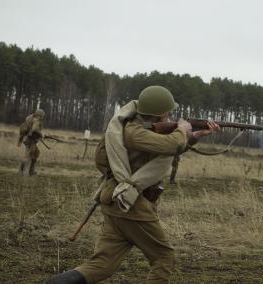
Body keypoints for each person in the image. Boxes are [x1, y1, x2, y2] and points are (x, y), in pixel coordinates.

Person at [46, 86, 220, 284]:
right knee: (163, 258)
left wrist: (193, 136)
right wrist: (182, 129)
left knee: (103, 265)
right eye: (168, 113)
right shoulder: (135, 132)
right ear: (160, 114)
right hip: (131, 204)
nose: (170, 115)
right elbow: (171, 145)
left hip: (117, 202)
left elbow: (163, 149)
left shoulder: (135, 128)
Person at [18, 109, 45, 176]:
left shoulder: (30, 119)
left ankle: (31, 171)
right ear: (40, 115)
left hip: (27, 139)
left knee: (36, 153)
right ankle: (23, 172)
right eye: (42, 116)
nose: (42, 118)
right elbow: (34, 129)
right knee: (28, 155)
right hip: (30, 140)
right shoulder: (36, 121)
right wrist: (41, 134)